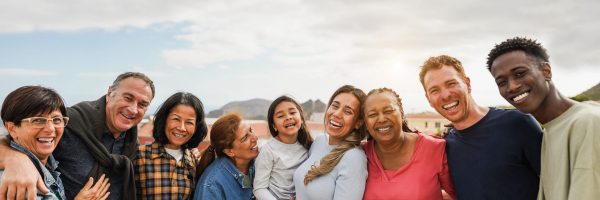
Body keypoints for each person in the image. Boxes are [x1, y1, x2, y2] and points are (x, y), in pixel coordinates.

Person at [0, 72, 155, 200]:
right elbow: (16, 138)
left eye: (142, 104)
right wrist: (14, 159)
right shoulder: (69, 124)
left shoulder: (131, 140)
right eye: (128, 98)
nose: (133, 109)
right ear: (109, 93)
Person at [487, 37, 600, 200]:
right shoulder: (552, 128)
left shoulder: (587, 122)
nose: (512, 86)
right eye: (502, 82)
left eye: (519, 74)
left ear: (546, 71)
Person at [419, 55, 543, 200]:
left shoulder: (517, 123)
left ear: (467, 83)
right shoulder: (446, 145)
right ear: (429, 99)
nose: (445, 95)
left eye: (451, 83)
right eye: (434, 90)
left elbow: (557, 183)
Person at [0, 86, 110, 200]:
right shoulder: (19, 181)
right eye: (38, 120)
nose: (51, 129)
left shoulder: (46, 163)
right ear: (12, 128)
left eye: (57, 120)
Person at [361, 87, 456, 200]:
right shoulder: (360, 155)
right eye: (372, 114)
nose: (381, 119)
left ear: (401, 112)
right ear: (365, 122)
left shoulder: (434, 148)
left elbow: (458, 194)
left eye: (388, 111)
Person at [293, 85, 368, 200]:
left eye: (348, 111)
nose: (337, 114)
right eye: (335, 106)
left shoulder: (354, 158)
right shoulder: (319, 141)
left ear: (358, 122)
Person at [134, 92, 208, 199]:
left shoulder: (193, 161)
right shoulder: (139, 156)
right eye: (176, 119)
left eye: (189, 122)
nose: (182, 128)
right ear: (164, 120)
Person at [253, 95, 313, 200]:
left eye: (292, 112)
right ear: (274, 126)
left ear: (302, 118)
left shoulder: (309, 145)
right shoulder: (268, 150)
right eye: (280, 116)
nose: (288, 117)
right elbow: (259, 188)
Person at [194, 113, 259, 200]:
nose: (255, 138)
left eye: (251, 130)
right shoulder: (211, 186)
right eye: (245, 138)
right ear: (229, 151)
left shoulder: (260, 161)